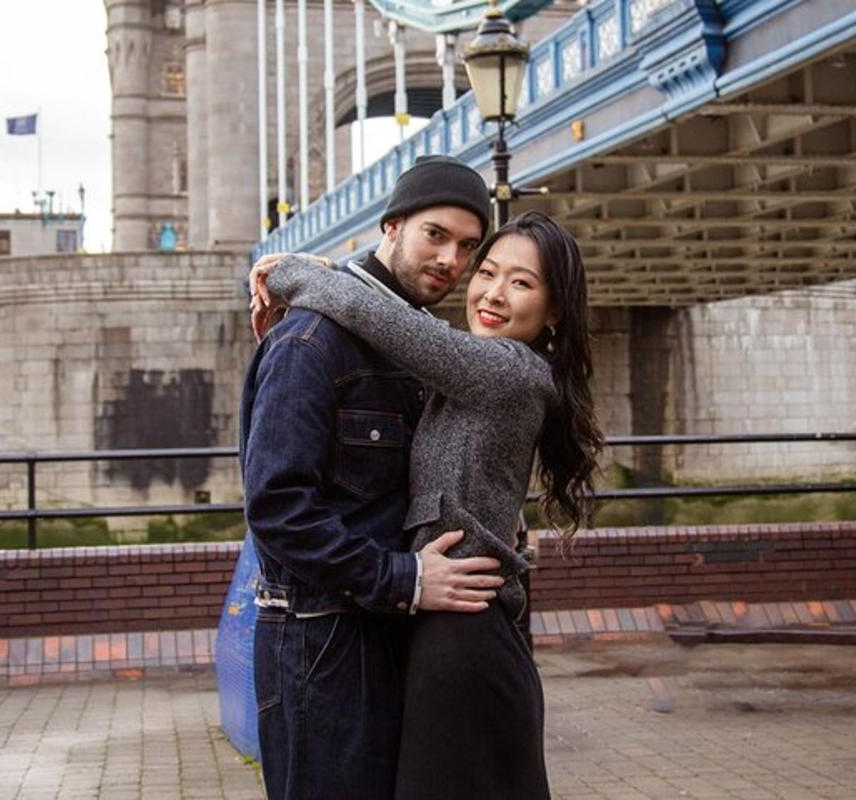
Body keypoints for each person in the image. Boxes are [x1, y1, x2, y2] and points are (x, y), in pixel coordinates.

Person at [253, 210, 603, 799]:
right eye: (487, 272)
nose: (492, 293)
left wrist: (289, 270)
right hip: (444, 628)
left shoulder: (507, 368)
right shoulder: (475, 371)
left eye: (520, 283)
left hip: (462, 639)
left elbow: (389, 322)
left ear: (555, 311)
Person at [239, 155, 509, 800]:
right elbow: (277, 509)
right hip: (321, 643)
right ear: (392, 227)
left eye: (468, 247)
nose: (451, 260)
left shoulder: (415, 344)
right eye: (435, 235)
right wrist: (406, 579)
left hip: (392, 632)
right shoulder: (311, 340)